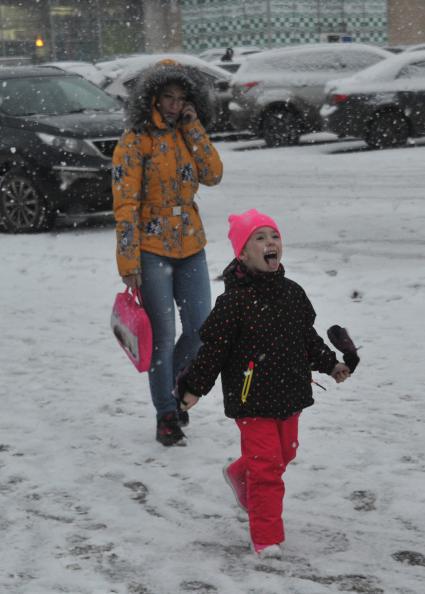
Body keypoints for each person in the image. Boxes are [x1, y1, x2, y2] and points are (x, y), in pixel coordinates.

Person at [178, 209, 351, 558]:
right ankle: (266, 537)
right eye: (259, 238)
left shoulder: (292, 293)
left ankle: (240, 473)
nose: (270, 242)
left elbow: (307, 337)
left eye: (274, 236)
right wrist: (194, 387)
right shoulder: (233, 303)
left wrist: (331, 363)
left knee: (284, 453)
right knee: (267, 468)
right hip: (251, 397)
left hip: (290, 392)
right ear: (242, 253)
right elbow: (214, 351)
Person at [112, 60, 223, 447]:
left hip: (191, 244)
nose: (175, 105)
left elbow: (213, 173)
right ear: (152, 98)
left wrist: (194, 127)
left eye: (182, 98)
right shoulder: (135, 140)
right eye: (168, 98)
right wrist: (129, 261)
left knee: (199, 329)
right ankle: (166, 413)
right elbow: (125, 205)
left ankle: (176, 392)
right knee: (162, 336)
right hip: (151, 248)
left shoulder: (187, 133)